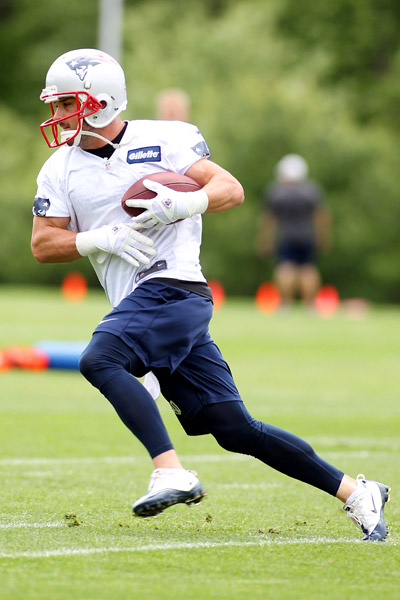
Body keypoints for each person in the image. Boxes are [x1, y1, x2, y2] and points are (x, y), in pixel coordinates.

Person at [31, 49, 390, 541]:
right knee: (234, 427)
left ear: (101, 101)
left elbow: (230, 189)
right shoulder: (59, 168)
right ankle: (356, 491)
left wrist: (187, 202)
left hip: (175, 287)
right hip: (137, 303)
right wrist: (97, 238)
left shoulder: (165, 138)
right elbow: (42, 244)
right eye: (55, 104)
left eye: (67, 103)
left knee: (100, 359)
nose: (57, 114)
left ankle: (170, 470)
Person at [256, 154, 331, 308]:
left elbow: (268, 219)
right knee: (308, 268)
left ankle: (286, 303)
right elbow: (321, 216)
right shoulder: (311, 190)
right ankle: (309, 304)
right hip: (307, 235)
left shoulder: (276, 191)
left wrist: (264, 239)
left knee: (285, 268)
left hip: (285, 236)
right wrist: (323, 237)